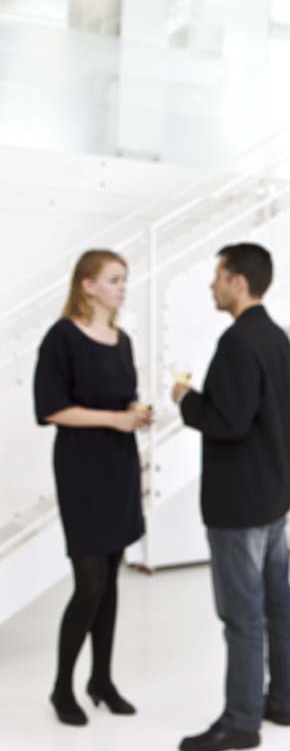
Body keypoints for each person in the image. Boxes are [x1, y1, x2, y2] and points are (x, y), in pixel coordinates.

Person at [171, 243, 290, 751]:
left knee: (242, 615)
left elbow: (228, 421)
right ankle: (284, 703)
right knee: (278, 604)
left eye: (219, 275)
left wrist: (186, 400)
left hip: (240, 503)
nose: (213, 284)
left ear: (239, 282)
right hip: (274, 494)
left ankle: (242, 722)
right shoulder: (278, 340)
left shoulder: (237, 343)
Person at [33, 249, 150, 726]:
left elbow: (125, 398)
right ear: (87, 285)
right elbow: (51, 408)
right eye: (114, 279)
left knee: (111, 578)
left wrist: (134, 413)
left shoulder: (122, 340)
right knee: (90, 582)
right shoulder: (61, 338)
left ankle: (101, 680)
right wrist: (114, 420)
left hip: (120, 466)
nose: (123, 287)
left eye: (124, 279)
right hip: (81, 469)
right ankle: (62, 686)